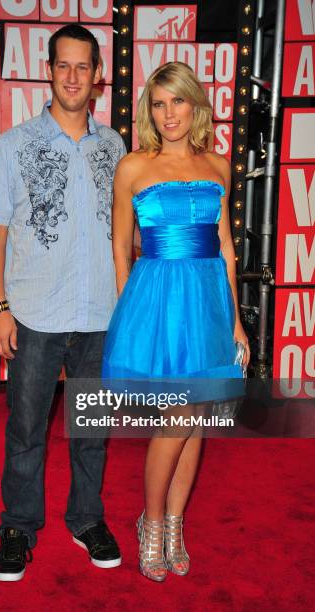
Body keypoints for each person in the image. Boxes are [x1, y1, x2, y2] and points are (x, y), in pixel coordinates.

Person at [0, 24, 126, 581]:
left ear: (97, 77)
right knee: (26, 430)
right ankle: (18, 525)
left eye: (83, 67)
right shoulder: (15, 144)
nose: (72, 77)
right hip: (34, 315)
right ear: (49, 70)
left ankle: (87, 519)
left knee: (92, 430)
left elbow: (124, 232)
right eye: (64, 65)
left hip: (100, 317)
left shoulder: (115, 146)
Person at [102, 61, 250, 582]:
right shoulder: (133, 168)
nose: (169, 113)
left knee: (200, 419)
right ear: (149, 110)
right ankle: (151, 520)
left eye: (178, 101)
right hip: (158, 301)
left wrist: (235, 321)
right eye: (159, 103)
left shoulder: (219, 167)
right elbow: (121, 248)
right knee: (178, 419)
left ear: (195, 105)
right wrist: (133, 313)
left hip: (209, 301)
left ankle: (174, 525)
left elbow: (228, 248)